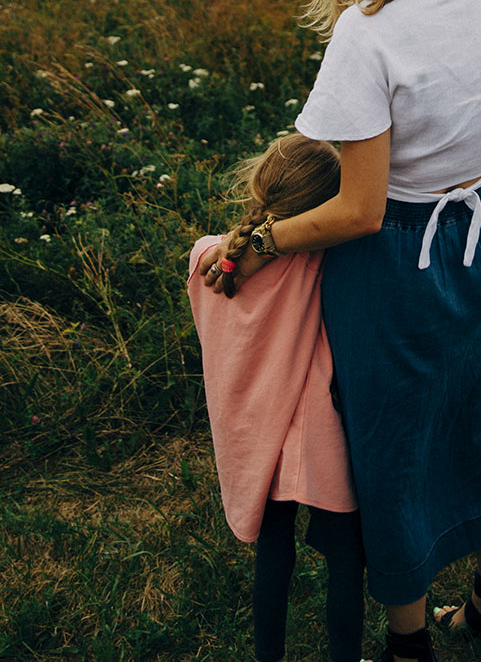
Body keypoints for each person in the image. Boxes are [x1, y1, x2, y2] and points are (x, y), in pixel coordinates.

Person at [202, 0, 481, 662]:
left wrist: (263, 239)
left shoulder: (369, 31)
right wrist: (459, 192)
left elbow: (358, 210)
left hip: (393, 266)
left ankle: (407, 642)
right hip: (473, 238)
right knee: (470, 415)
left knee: (388, 447)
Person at [188, 133, 369, 662]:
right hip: (318, 431)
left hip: (255, 436)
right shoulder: (322, 261)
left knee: (273, 554)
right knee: (344, 558)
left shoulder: (206, 259)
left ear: (256, 179)